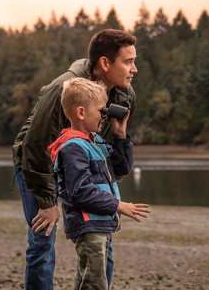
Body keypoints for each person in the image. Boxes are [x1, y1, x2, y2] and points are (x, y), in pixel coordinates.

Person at [12, 29, 138, 290]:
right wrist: (47, 203)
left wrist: (107, 196)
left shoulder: (124, 95)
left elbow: (108, 157)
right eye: (128, 61)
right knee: (42, 241)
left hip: (85, 164)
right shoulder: (62, 89)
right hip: (38, 165)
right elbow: (36, 149)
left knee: (102, 239)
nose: (134, 69)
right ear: (105, 63)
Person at [47, 77, 150, 289]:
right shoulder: (73, 147)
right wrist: (118, 205)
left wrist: (120, 135)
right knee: (95, 283)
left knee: (87, 279)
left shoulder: (94, 141)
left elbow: (121, 168)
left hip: (99, 221)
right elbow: (80, 192)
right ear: (81, 113)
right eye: (101, 111)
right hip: (88, 223)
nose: (105, 115)